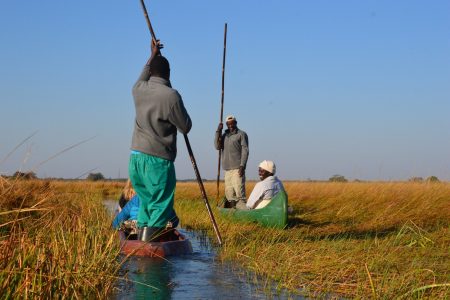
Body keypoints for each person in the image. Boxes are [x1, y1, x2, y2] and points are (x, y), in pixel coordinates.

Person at [129, 39, 192, 242]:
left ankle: (140, 241)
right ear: (169, 74)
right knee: (160, 203)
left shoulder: (138, 89)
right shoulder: (171, 96)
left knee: (147, 202)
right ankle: (150, 248)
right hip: (158, 160)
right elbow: (186, 126)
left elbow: (144, 73)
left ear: (150, 72)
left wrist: (152, 54)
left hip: (136, 159)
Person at [214, 115, 249, 207]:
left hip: (238, 168)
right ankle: (232, 213)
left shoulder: (241, 134)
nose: (231, 126)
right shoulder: (224, 136)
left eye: (232, 123)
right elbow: (217, 146)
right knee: (229, 193)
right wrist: (218, 131)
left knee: (239, 192)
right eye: (228, 124)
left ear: (236, 123)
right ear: (226, 125)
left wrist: (242, 165)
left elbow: (245, 151)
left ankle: (243, 212)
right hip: (227, 169)